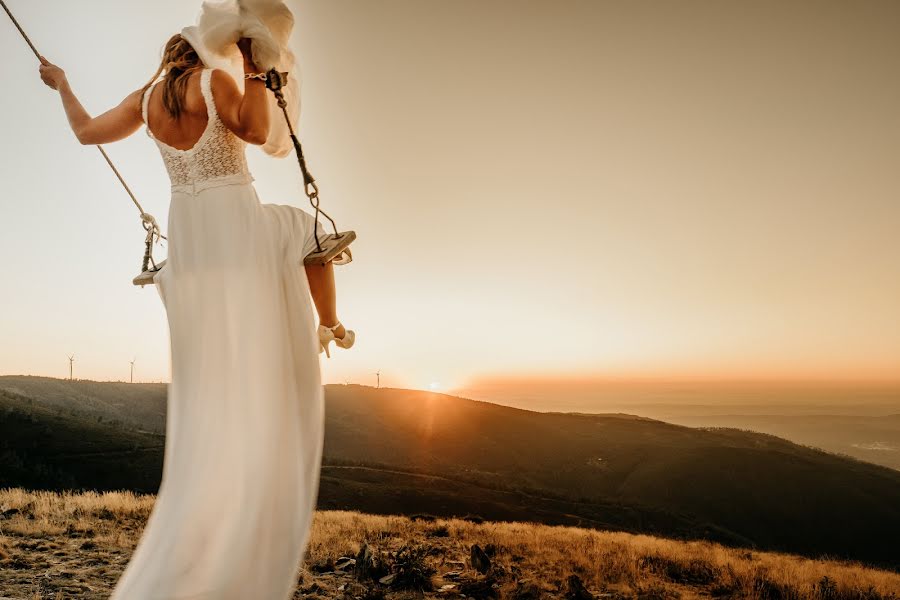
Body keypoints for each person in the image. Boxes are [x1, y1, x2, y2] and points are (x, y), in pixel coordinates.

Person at [38, 32, 353, 599]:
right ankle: (329, 323)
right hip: (232, 216)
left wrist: (63, 84)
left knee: (218, 334)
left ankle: (177, 283)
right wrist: (258, 70)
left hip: (190, 231)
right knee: (308, 231)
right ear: (209, 53)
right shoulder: (219, 81)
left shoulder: (145, 98)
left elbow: (86, 132)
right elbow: (257, 131)